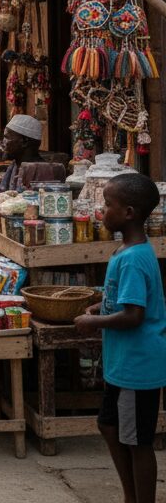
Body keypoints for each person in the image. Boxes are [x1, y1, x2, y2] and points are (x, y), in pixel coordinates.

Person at [74, 174, 166, 503]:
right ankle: (131, 496)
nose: (102, 210)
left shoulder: (133, 259)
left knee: (137, 441)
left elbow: (134, 315)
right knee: (109, 426)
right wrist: (101, 304)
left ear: (128, 213)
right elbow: (126, 299)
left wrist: (94, 321)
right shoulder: (128, 251)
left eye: (108, 204)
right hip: (122, 364)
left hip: (136, 366)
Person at [0, 113, 65, 190]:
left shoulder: (43, 172)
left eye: (7, 137)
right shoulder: (15, 165)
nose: (3, 142)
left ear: (25, 142)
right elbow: (2, 190)